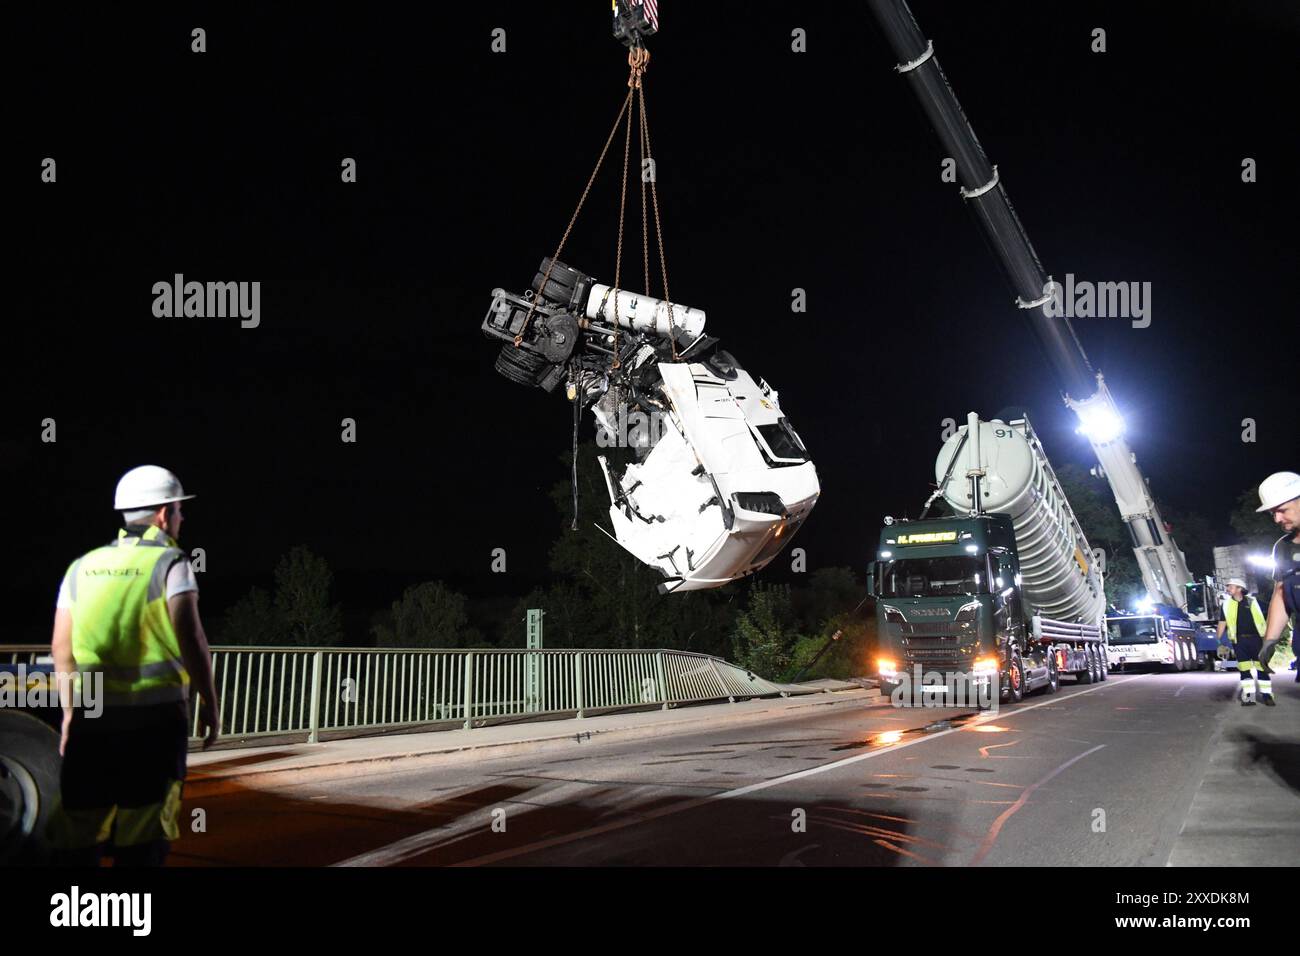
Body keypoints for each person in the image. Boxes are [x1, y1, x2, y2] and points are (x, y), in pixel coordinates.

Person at [48, 465, 220, 866]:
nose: (182, 518)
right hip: (154, 723)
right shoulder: (170, 563)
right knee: (142, 833)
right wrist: (209, 702)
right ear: (163, 513)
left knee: (79, 827)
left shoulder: (82, 566)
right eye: (179, 510)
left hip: (94, 721)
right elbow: (191, 638)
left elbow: (62, 648)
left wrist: (73, 713)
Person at [1256, 471, 1300, 686]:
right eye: (1273, 513)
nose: (1277, 519)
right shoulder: (1282, 547)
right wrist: (1270, 640)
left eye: (1282, 511)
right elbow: (1281, 593)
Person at [1217, 577, 1271, 705]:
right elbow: (1222, 624)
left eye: (1231, 586)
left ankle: (1267, 696)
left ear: (1239, 589)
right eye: (1228, 586)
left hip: (1257, 639)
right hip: (1239, 641)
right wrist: (1219, 642)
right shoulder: (1226, 605)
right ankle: (1249, 697)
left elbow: (1271, 613)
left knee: (1261, 668)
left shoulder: (1254, 602)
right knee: (1244, 669)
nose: (1228, 589)